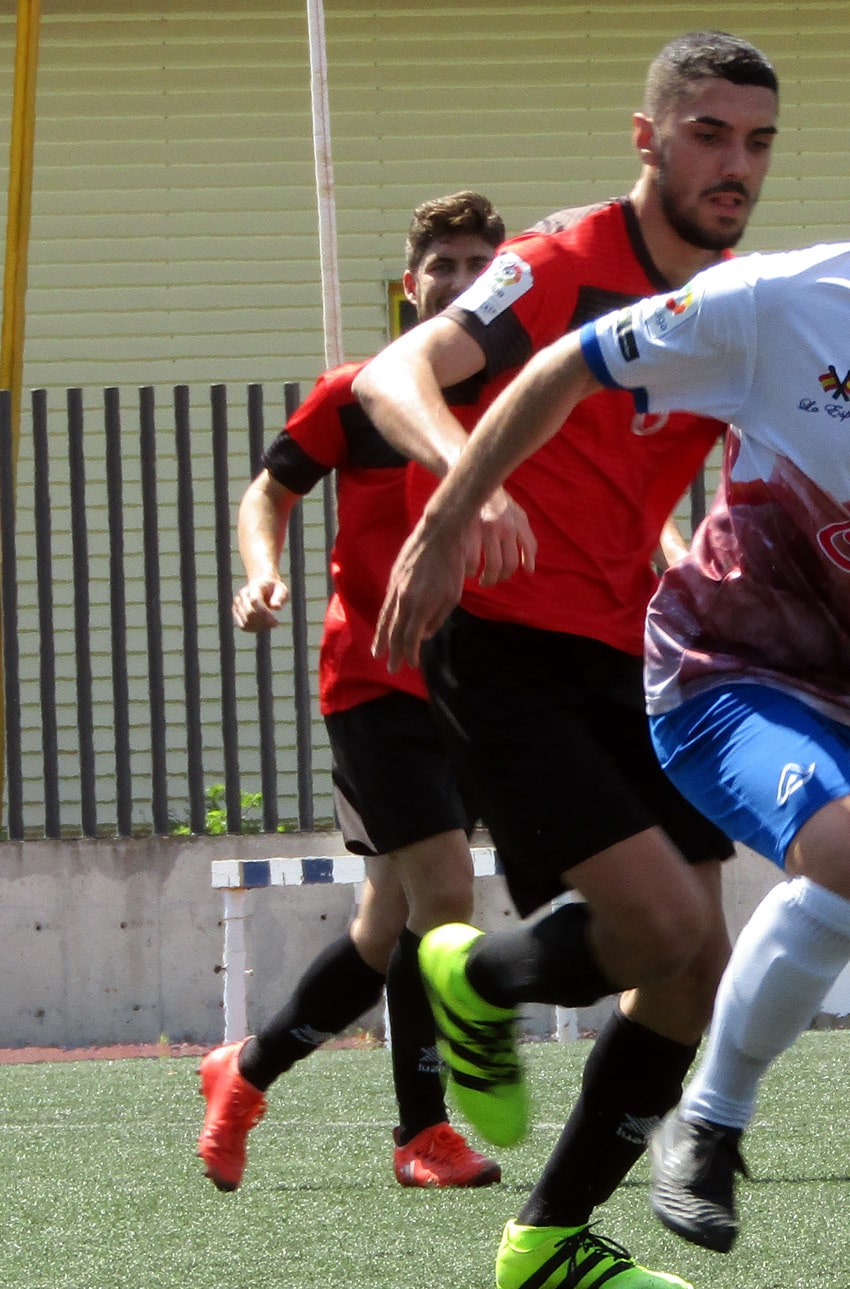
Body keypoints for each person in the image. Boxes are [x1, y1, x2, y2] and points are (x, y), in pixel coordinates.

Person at [375, 49, 850, 1286]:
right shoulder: (779, 299)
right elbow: (568, 360)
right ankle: (707, 1129)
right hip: (730, 672)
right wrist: (458, 511)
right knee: (837, 868)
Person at [353, 31, 778, 1289]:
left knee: (698, 958)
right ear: (647, 139)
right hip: (506, 644)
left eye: (757, 142)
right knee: (656, 923)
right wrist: (461, 485)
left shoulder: (736, 306)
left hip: (638, 651)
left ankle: (548, 1238)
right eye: (707, 134)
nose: (734, 165)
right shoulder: (553, 265)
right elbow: (396, 373)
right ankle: (472, 974)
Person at [196, 191, 508, 1193]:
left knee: (385, 923)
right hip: (373, 683)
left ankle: (243, 1074)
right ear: (410, 286)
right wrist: (261, 569)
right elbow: (271, 489)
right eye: (441, 267)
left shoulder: (524, 399)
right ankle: (423, 1134)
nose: (458, 282)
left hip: (477, 691)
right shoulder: (363, 393)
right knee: (447, 894)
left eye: (478, 266)